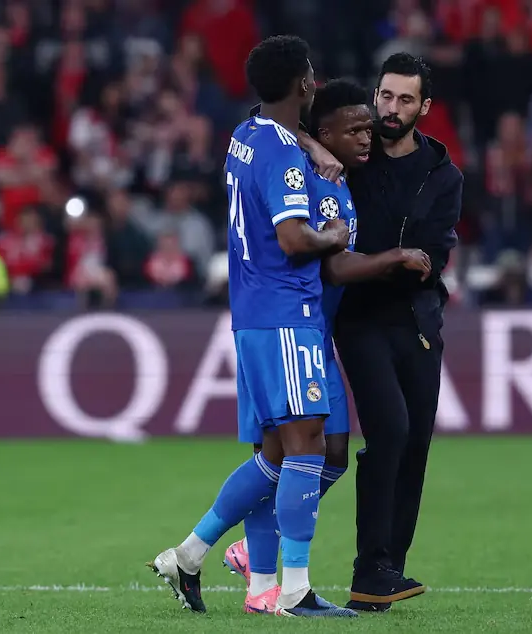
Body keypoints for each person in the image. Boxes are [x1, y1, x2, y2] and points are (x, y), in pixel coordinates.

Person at [147, 35, 357, 618]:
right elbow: (293, 241)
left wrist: (307, 141)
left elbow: (269, 130)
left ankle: (189, 554)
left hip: (254, 316)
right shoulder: (285, 157)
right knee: (306, 445)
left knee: (274, 453)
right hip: (287, 313)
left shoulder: (247, 137)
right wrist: (333, 237)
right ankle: (293, 589)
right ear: (305, 84)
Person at [219, 78, 432, 614]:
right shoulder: (307, 171)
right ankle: (262, 572)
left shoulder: (335, 166)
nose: (366, 137)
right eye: (355, 129)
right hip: (288, 322)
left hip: (307, 328)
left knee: (322, 452)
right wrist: (393, 258)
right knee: (292, 451)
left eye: (369, 127)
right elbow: (329, 262)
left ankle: (233, 553)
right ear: (319, 129)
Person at [300, 53, 463, 612]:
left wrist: (411, 265)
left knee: (415, 441)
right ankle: (369, 564)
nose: (390, 109)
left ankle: (385, 571)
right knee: (390, 429)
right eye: (385, 96)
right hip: (361, 316)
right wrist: (320, 148)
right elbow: (280, 126)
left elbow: (436, 256)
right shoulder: (353, 154)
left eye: (404, 100)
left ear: (425, 107)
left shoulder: (443, 176)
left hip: (418, 321)